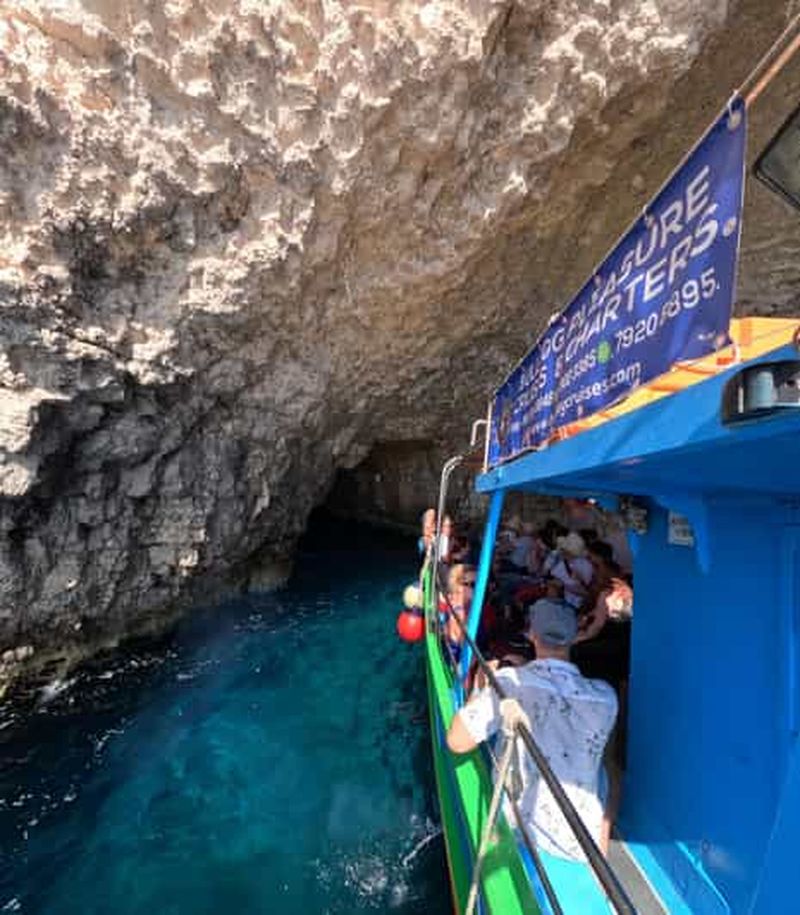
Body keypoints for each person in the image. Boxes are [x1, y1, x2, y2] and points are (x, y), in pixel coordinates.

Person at [447, 598, 618, 862]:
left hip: (525, 829)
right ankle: (601, 850)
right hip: (580, 843)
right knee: (606, 771)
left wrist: (484, 683)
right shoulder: (606, 697)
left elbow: (457, 741)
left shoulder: (510, 683)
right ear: (574, 638)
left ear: (532, 635)